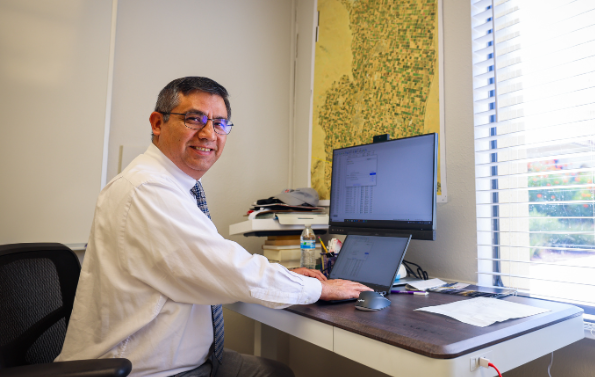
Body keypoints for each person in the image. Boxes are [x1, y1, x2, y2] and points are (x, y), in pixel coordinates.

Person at [56, 77, 371, 377]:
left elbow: (210, 264)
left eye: (219, 123)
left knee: (273, 371)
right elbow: (227, 269)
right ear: (157, 123)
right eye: (193, 119)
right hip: (143, 369)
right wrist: (321, 288)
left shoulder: (170, 186)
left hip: (179, 358)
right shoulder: (147, 190)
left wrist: (286, 276)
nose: (208, 134)